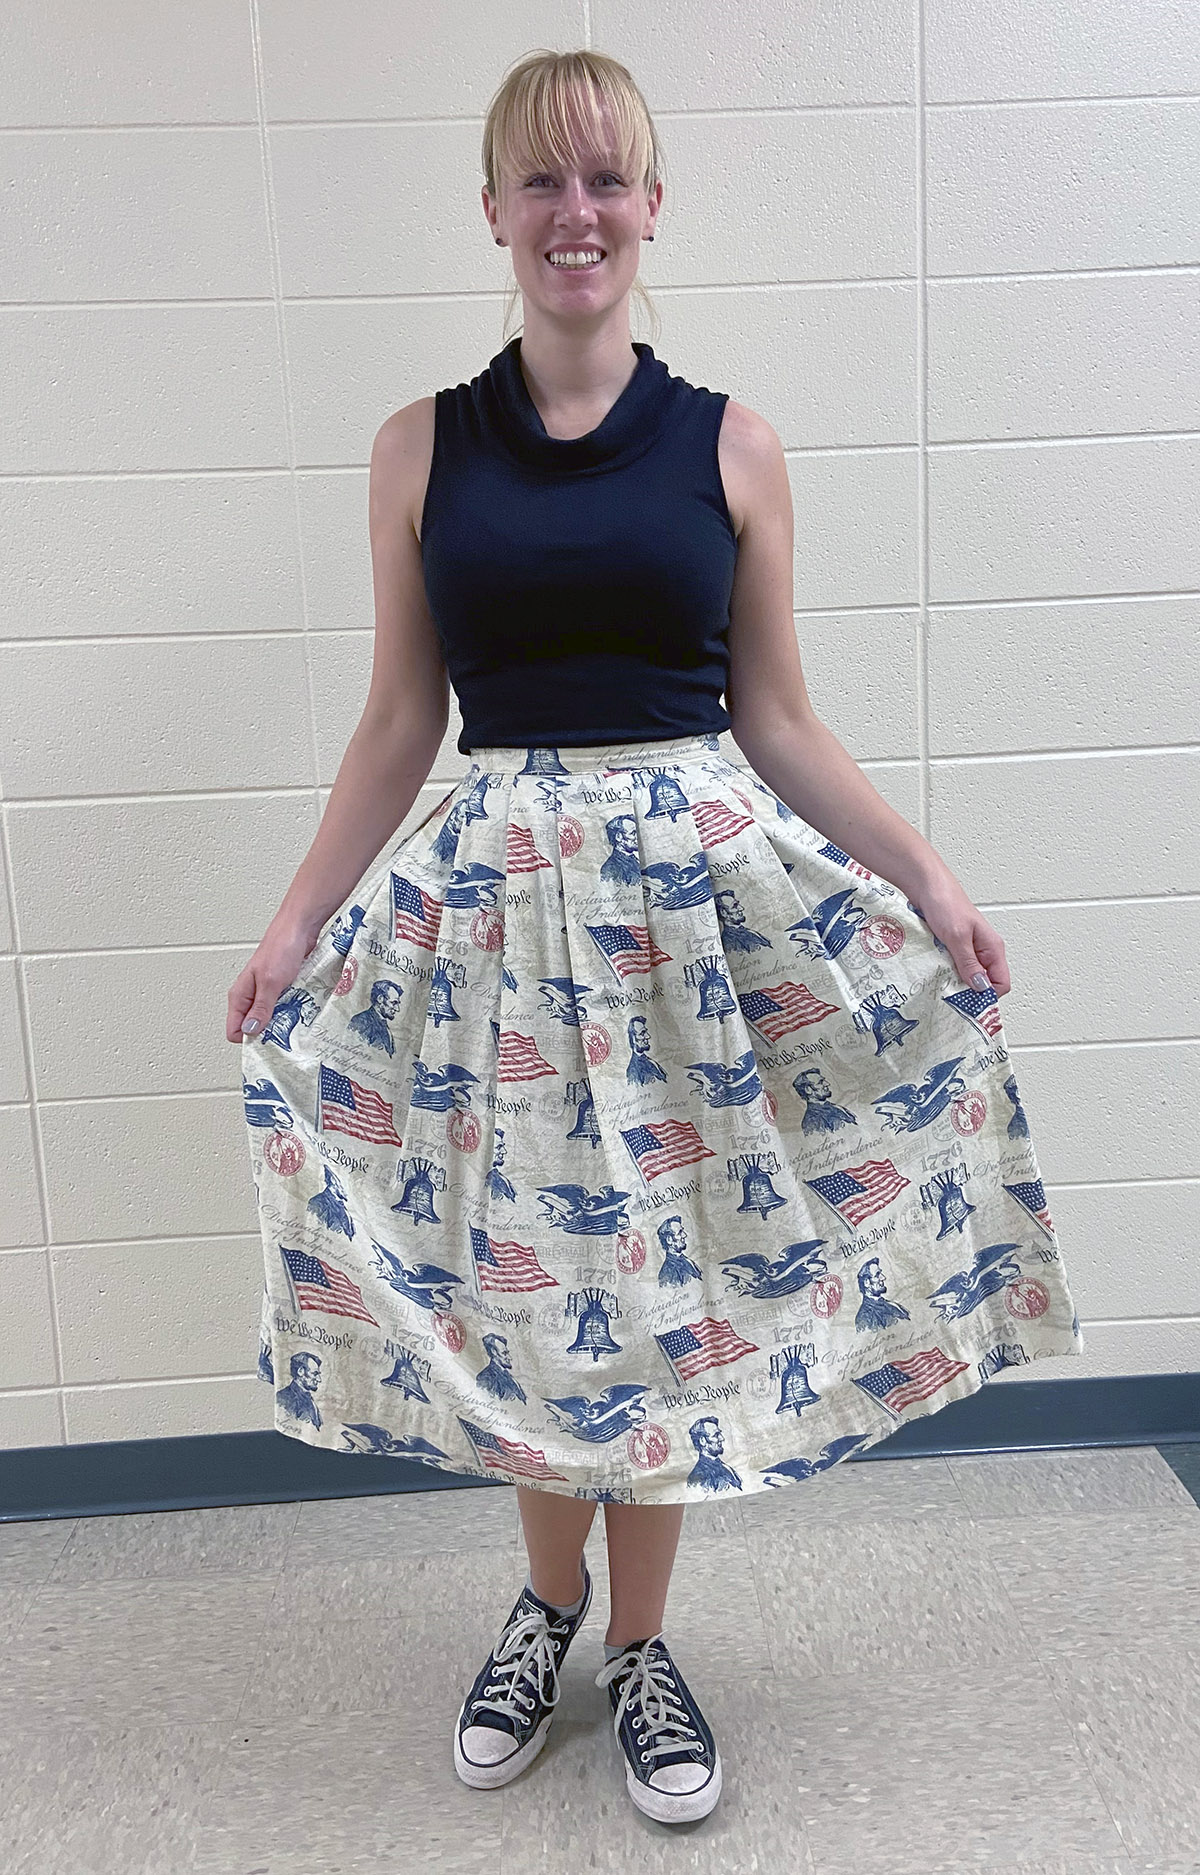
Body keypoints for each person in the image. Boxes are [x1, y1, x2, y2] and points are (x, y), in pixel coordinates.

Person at [228, 48, 1084, 1827]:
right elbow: (402, 718)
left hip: (688, 932)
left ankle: (640, 1645)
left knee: (668, 1287)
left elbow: (776, 715)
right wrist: (297, 919)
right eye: (541, 184)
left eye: (608, 180)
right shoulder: (417, 449)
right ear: (492, 214)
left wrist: (927, 876)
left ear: (652, 207)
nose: (577, 215)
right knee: (540, 1283)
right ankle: (545, 1611)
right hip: (496, 933)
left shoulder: (735, 443)